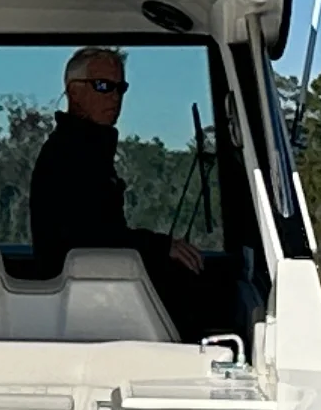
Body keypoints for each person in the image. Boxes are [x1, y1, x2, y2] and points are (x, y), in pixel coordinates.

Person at [26, 46, 236, 341]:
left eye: (120, 88)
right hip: (82, 299)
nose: (114, 96)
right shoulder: (69, 155)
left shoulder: (88, 150)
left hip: (94, 291)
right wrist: (160, 246)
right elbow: (89, 237)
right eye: (103, 86)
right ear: (74, 92)